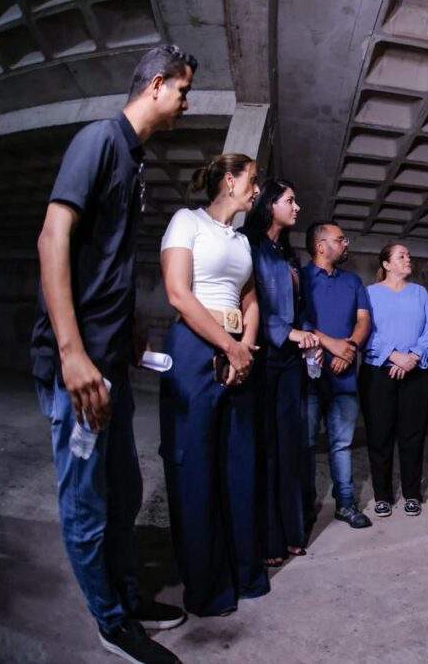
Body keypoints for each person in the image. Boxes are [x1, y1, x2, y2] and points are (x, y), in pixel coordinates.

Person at [31, 44, 195, 664]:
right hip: (78, 368)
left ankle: (125, 599)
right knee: (87, 503)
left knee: (124, 492)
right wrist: (72, 353)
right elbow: (53, 237)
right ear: (156, 85)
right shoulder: (99, 140)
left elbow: (104, 262)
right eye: (182, 91)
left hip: (110, 361)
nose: (185, 103)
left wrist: (125, 328)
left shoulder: (134, 160)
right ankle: (110, 622)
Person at [159, 153, 269, 617]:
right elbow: (177, 292)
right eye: (252, 180)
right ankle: (208, 589)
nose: (257, 189)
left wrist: (244, 348)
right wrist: (228, 345)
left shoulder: (241, 241)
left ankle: (245, 574)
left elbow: (250, 299)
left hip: (237, 349)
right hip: (194, 347)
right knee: (195, 469)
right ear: (229, 180)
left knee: (239, 465)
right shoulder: (187, 222)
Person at [242, 179, 318, 565]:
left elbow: (300, 307)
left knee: (291, 448)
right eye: (290, 200)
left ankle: (291, 533)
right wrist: (286, 332)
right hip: (261, 357)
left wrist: (307, 337)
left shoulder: (289, 255)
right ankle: (268, 539)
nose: (297, 207)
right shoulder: (248, 245)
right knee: (265, 448)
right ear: (270, 204)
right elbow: (248, 300)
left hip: (289, 362)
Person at [301, 222, 373, 528]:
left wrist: (351, 348)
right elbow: (295, 321)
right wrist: (333, 345)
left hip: (344, 379)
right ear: (321, 246)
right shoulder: (299, 278)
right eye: (340, 239)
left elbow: (364, 320)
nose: (346, 244)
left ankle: (345, 504)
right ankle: (304, 506)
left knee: (341, 444)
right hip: (308, 377)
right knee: (305, 444)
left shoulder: (352, 280)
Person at [359, 243, 428, 517]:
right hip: (378, 373)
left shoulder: (420, 293)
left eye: (409, 255)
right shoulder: (369, 293)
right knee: (379, 436)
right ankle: (382, 496)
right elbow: (364, 331)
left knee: (412, 436)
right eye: (401, 256)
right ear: (386, 264)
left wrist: (412, 357)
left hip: (417, 372)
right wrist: (394, 355)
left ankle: (412, 494)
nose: (408, 259)